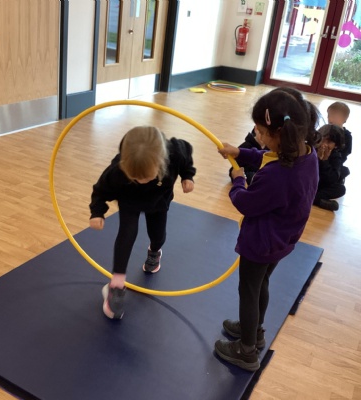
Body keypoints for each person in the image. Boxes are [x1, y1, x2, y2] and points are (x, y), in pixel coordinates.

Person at [214, 89, 319, 371]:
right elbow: (266, 156)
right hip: (283, 238)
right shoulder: (305, 154)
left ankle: (246, 350)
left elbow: (245, 203)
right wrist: (240, 153)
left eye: (261, 132)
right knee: (261, 283)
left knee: (248, 289)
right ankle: (255, 331)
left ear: (279, 134)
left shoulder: (277, 175)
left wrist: (238, 180)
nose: (257, 136)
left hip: (260, 243)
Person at [89, 126, 196, 319]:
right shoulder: (117, 170)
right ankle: (116, 285)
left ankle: (154, 251)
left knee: (158, 235)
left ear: (161, 162)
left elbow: (187, 153)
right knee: (126, 234)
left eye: (146, 176)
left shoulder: (174, 152)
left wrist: (187, 175)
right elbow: (100, 191)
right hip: (129, 201)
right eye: (134, 177)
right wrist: (97, 213)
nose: (141, 180)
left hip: (159, 200)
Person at [313, 124, 346, 211]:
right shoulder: (312, 149)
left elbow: (331, 179)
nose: (324, 144)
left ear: (336, 145)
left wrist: (324, 161)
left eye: (329, 142)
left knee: (341, 189)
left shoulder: (336, 156)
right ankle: (318, 201)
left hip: (321, 185)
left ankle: (312, 198)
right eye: (323, 140)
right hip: (309, 182)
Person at [327, 101, 352, 180]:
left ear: (344, 120)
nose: (330, 119)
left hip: (336, 162)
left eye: (334, 117)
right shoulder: (326, 130)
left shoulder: (347, 136)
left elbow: (347, 151)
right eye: (329, 115)